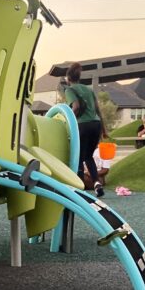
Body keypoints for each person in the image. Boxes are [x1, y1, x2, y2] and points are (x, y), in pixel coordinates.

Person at [62, 62, 106, 196]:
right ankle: (97, 183)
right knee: (88, 156)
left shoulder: (69, 90)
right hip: (96, 125)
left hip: (83, 125)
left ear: (68, 79)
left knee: (79, 156)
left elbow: (75, 106)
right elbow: (98, 110)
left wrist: (70, 122)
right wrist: (104, 129)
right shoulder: (89, 90)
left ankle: (79, 188)